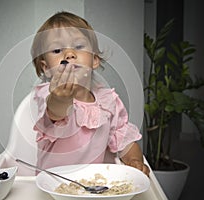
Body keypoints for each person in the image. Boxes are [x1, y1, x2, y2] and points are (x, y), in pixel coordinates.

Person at [30, 11, 150, 176]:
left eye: (79, 47)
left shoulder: (109, 101)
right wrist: (60, 99)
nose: (69, 54)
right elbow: (53, 112)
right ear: (46, 68)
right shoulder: (47, 94)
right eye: (57, 50)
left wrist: (134, 160)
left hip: (97, 185)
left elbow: (124, 140)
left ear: (94, 60)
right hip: (53, 184)